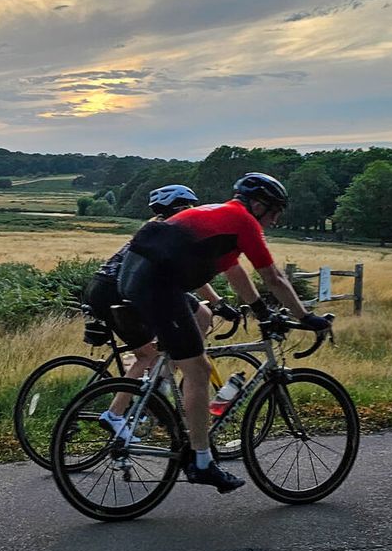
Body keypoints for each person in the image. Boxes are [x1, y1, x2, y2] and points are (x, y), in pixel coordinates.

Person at [117, 172, 330, 493]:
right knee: (199, 370)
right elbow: (273, 277)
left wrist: (261, 312)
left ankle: (163, 407)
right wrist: (306, 317)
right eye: (274, 210)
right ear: (257, 205)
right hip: (157, 285)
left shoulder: (223, 218)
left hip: (139, 277)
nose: (276, 219)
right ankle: (201, 462)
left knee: (187, 358)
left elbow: (235, 271)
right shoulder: (243, 221)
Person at [84, 185, 238, 421]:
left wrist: (215, 303)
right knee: (148, 354)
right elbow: (191, 276)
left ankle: (160, 383)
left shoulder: (157, 228)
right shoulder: (171, 234)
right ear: (179, 208)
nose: (192, 211)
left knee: (199, 316)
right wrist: (219, 303)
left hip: (115, 288)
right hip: (116, 291)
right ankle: (118, 414)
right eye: (189, 206)